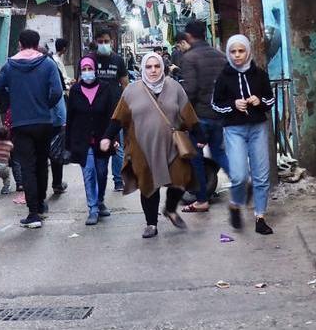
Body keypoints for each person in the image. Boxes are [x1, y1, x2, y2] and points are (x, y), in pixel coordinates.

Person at [101, 52, 201, 238]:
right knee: (148, 185)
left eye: (157, 66)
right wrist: (107, 137)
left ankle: (170, 209)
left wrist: (199, 133)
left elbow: (188, 113)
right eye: (149, 67)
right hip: (142, 149)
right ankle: (151, 224)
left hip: (172, 147)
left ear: (162, 67)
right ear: (143, 68)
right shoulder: (131, 90)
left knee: (181, 178)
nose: (153, 70)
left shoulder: (174, 87)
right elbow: (118, 118)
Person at [0, 29, 63, 229]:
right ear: (37, 43)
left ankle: (33, 214)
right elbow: (57, 91)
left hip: (21, 123)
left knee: (28, 167)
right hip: (44, 122)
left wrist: (13, 98)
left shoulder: (10, 66)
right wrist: (44, 105)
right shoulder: (48, 64)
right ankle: (40, 205)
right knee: (42, 164)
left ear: (20, 44)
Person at [212, 35, 276, 235]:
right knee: (239, 175)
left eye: (241, 51)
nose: (237, 55)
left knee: (261, 176)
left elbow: (271, 100)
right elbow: (215, 105)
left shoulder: (260, 75)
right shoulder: (223, 77)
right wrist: (233, 105)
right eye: (233, 51)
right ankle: (235, 203)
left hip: (258, 128)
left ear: (247, 51)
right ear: (228, 54)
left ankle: (260, 217)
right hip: (234, 130)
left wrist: (260, 101)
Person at [178, 20, 232, 212]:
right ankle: (241, 183)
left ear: (189, 36)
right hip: (219, 115)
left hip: (200, 117)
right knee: (219, 153)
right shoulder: (220, 56)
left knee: (196, 158)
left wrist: (182, 116)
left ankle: (201, 199)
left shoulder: (189, 58)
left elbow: (189, 91)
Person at [67, 56, 118, 225]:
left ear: (95, 69)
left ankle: (100, 200)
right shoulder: (75, 90)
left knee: (102, 173)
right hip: (82, 140)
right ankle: (93, 208)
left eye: (90, 69)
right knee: (89, 172)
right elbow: (71, 117)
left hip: (102, 138)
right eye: (84, 69)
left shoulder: (106, 89)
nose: (87, 72)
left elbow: (113, 115)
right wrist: (69, 143)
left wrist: (113, 137)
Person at [91, 28, 130, 191]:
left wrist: (127, 106)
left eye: (106, 41)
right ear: (95, 42)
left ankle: (118, 180)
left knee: (117, 146)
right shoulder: (90, 60)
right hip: (95, 111)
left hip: (115, 110)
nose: (104, 44)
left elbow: (125, 83)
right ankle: (98, 180)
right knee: (96, 146)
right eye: (100, 42)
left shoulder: (118, 60)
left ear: (112, 42)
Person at [47, 43, 69, 196]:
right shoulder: (53, 71)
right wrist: (63, 122)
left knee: (46, 153)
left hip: (40, 120)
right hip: (54, 120)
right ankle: (56, 184)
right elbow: (57, 96)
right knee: (55, 152)